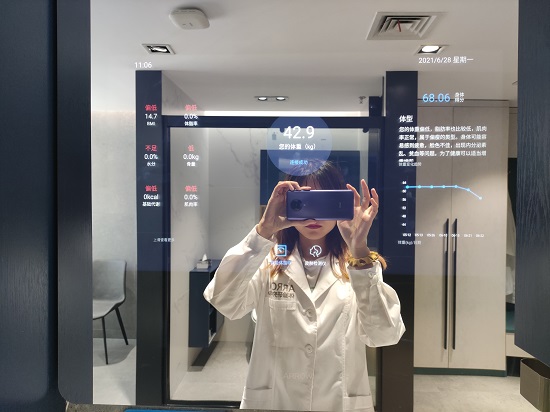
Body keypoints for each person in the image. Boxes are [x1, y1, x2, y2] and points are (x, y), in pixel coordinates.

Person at [204, 161, 405, 412]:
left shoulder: (359, 266)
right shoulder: (267, 260)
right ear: (287, 202)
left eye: (323, 202)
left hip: (338, 403)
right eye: (304, 201)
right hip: (276, 401)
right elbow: (225, 302)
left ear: (339, 204)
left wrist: (359, 250)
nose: (313, 215)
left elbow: (383, 334)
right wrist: (264, 230)